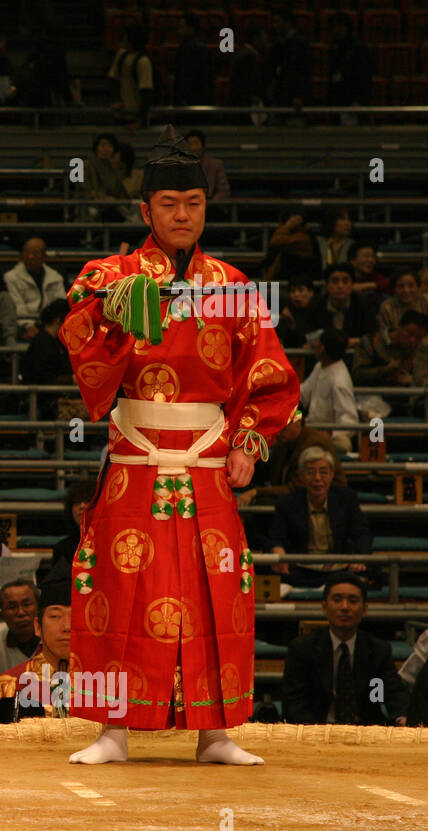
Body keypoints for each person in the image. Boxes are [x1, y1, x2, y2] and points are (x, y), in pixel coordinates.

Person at [59, 126, 300, 765]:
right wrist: (111, 313)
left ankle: (214, 734)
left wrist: (249, 442)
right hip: (136, 457)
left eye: (193, 203)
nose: (183, 215)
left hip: (209, 460)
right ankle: (112, 731)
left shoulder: (234, 286)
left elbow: (270, 375)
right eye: (169, 204)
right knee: (118, 580)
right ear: (146, 211)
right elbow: (76, 326)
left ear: (205, 208)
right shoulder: (111, 274)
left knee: (214, 588)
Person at [282, 572, 408, 725]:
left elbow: (390, 693)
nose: (345, 607)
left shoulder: (378, 650)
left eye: (353, 600)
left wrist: (402, 718)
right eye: (337, 600)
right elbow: (294, 704)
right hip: (316, 732)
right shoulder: (302, 649)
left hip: (365, 733)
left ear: (365, 609)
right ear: (324, 607)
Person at [0, 576, 75, 724]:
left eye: (75, 616)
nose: (66, 626)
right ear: (37, 626)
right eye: (55, 616)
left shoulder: (109, 685)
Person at [267, 446, 372, 589]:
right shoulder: (287, 503)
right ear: (301, 476)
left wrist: (359, 557)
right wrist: (277, 549)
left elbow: (362, 533)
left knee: (373, 572)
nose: (317, 479)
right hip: (302, 567)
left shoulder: (347, 499)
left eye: (323, 472)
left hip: (340, 566)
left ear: (332, 474)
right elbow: (275, 536)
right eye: (310, 472)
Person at [299, 329, 359, 452]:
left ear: (322, 348)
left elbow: (350, 420)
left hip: (326, 434)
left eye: (318, 343)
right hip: (311, 427)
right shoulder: (321, 366)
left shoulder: (339, 380)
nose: (315, 345)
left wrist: (331, 434)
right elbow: (302, 393)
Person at [351, 310, 427, 388]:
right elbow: (357, 375)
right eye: (409, 333)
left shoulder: (421, 350)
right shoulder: (369, 342)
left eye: (419, 337)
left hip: (408, 395)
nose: (412, 340)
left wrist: (412, 380)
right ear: (399, 327)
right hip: (371, 394)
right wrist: (385, 369)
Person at [315, 263, 376, 343]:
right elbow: (308, 335)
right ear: (327, 286)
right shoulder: (317, 304)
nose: (340, 286)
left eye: (345, 281)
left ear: (352, 285)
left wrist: (355, 341)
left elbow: (373, 336)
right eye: (335, 281)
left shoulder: (364, 304)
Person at [107, 26, 154, 128]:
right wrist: (116, 100)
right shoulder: (121, 55)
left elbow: (146, 92)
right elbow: (113, 79)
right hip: (121, 113)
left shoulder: (143, 61)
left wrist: (141, 120)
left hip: (134, 116)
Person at [23, 299, 74, 385]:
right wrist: (70, 379)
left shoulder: (59, 342)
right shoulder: (42, 343)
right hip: (45, 395)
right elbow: (41, 377)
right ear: (58, 320)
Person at [171, 15, 211, 107]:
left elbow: (186, 76)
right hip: (199, 97)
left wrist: (183, 97)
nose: (178, 30)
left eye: (181, 27)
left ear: (191, 28)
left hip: (191, 99)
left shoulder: (188, 49)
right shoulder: (200, 46)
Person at [183, 129, 229, 204]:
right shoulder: (181, 166)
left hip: (210, 204)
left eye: (196, 143)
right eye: (190, 144)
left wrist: (212, 202)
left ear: (203, 146)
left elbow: (223, 190)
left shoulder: (216, 164)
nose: (193, 148)